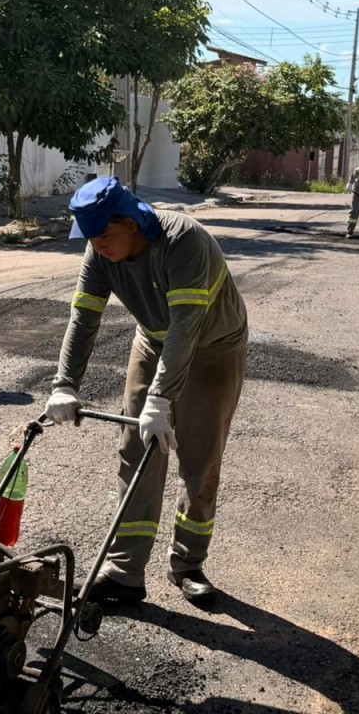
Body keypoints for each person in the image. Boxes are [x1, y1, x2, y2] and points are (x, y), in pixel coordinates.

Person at [44, 177, 248, 607]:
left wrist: (160, 399)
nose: (98, 246)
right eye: (90, 238)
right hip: (153, 340)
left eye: (104, 236)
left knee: (199, 458)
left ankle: (188, 564)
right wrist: (64, 384)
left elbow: (186, 329)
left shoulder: (184, 241)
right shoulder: (100, 251)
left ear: (131, 224)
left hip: (213, 347)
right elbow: (84, 318)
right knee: (136, 450)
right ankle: (124, 571)